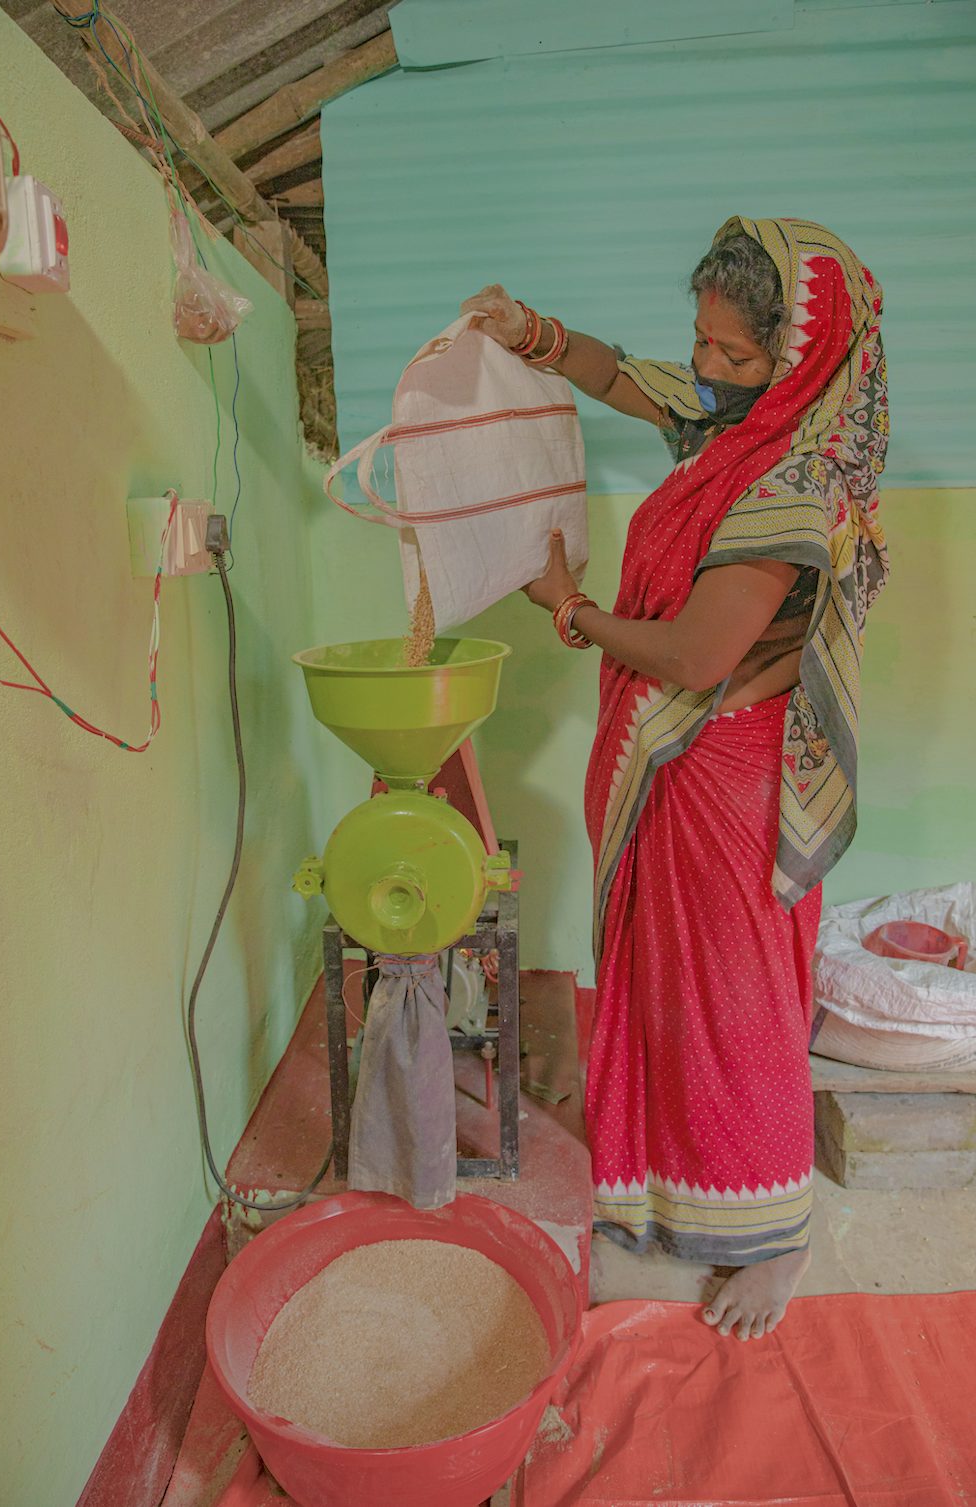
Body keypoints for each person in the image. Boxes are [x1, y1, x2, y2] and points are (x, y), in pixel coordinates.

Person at [460, 216, 890, 1341]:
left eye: (734, 355)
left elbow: (699, 656)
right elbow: (620, 375)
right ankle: (661, 1196)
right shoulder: (728, 427)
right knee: (656, 992)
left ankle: (776, 1238)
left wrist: (569, 607)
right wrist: (532, 334)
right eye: (701, 341)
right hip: (672, 770)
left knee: (733, 1012)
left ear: (796, 361)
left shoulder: (792, 482)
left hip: (725, 786)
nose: (705, 367)